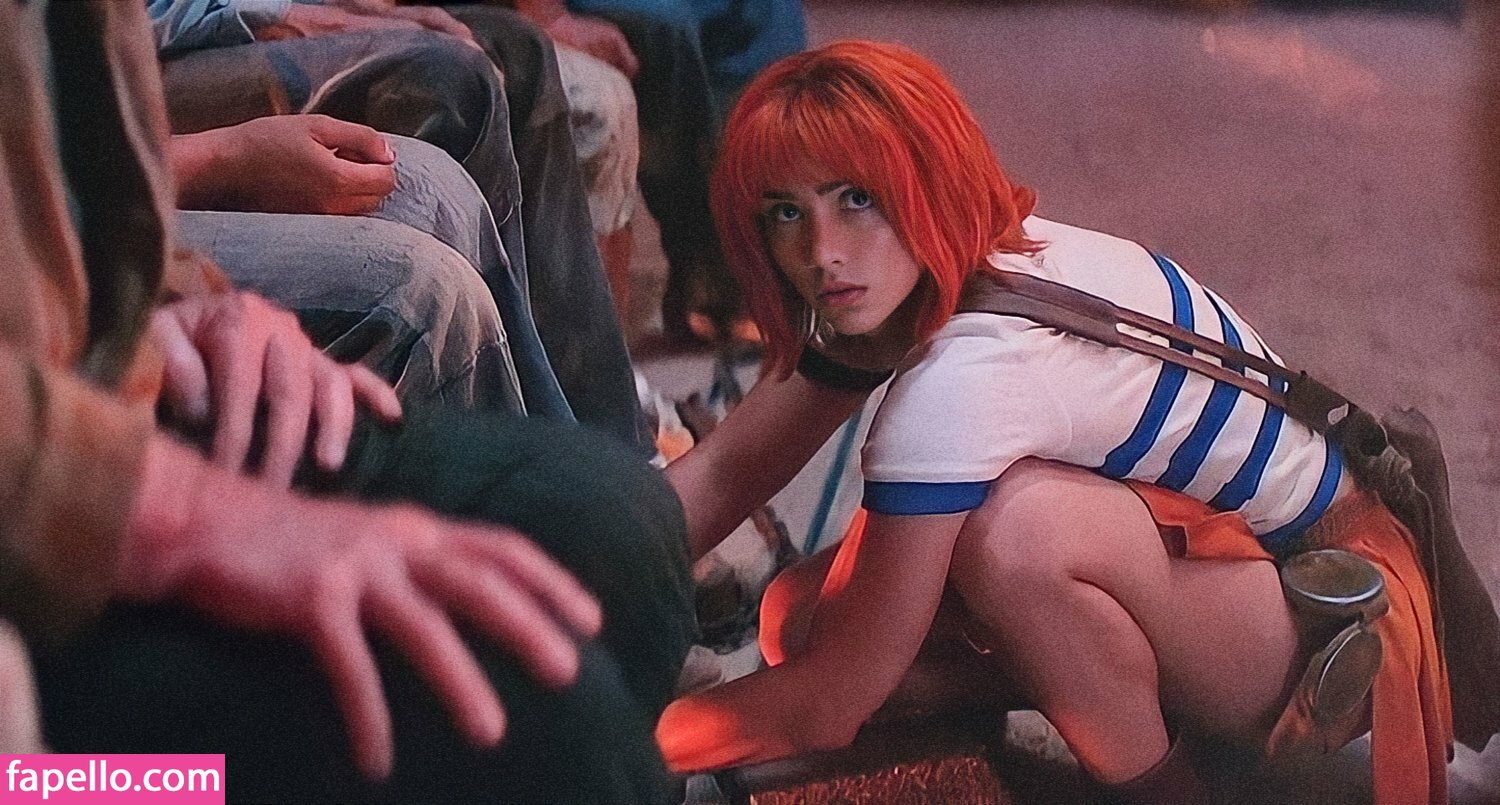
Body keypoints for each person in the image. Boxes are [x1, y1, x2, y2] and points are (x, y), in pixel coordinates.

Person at [654, 40, 1495, 803]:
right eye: (787, 212)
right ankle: (1066, 684)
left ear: (925, 179)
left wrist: (623, 743)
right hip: (1238, 568)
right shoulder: (955, 259)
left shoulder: (963, 380)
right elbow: (727, 472)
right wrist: (596, 571)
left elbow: (831, 701)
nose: (822, 251)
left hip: (1328, 630)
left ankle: (1162, 788)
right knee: (796, 617)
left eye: (857, 199)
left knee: (1013, 534)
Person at [3, 1, 693, 801]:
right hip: (39, 528)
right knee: (536, 723)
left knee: (615, 527)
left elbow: (53, 166)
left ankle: (630, 458)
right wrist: (182, 510)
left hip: (83, 382)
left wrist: (178, 298)